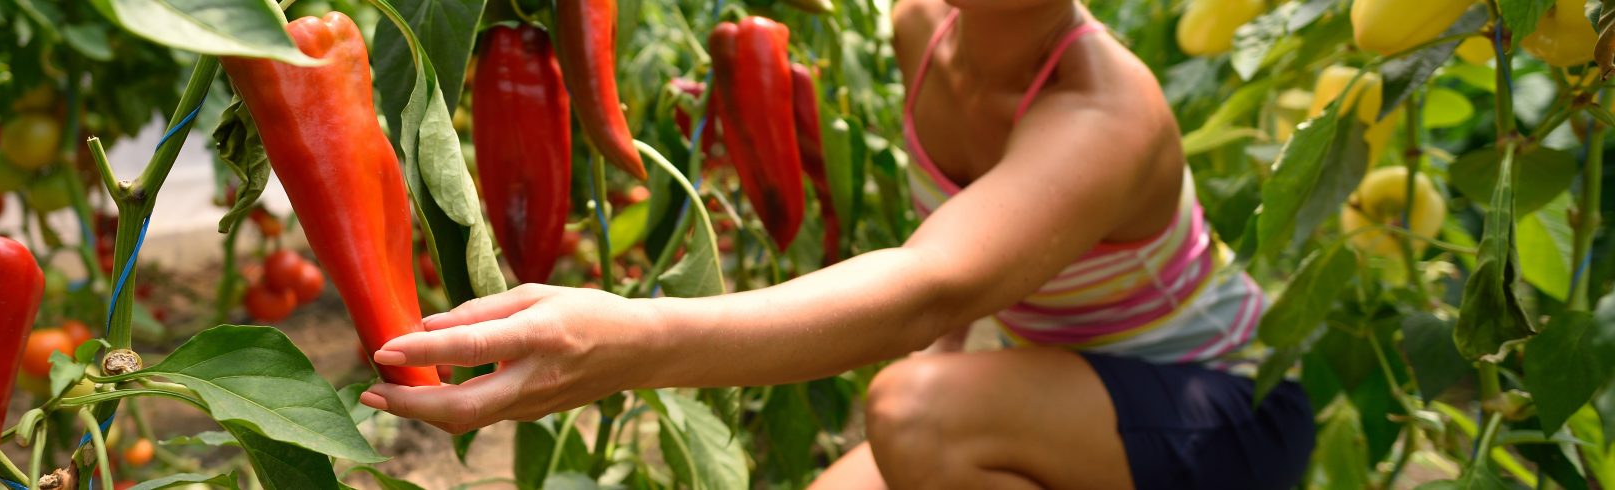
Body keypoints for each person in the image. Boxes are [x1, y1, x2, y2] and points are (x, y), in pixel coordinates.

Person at [356, 0, 1316, 487]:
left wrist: (630, 343)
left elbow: (934, 284)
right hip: (1055, 379)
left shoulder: (1104, 112)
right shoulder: (919, 28)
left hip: (1224, 407)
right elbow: (966, 252)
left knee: (916, 414)